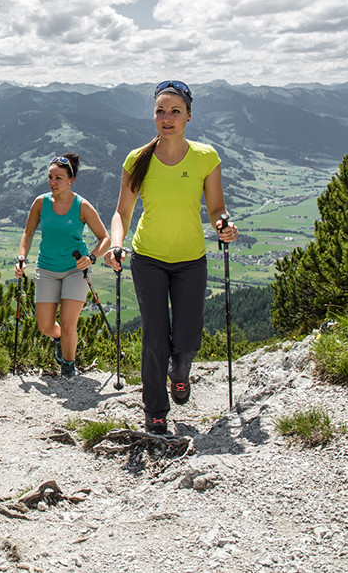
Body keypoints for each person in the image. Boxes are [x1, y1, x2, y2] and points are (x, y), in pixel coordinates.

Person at [104, 81, 238, 434]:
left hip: (191, 259)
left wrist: (225, 225)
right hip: (148, 258)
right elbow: (122, 213)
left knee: (188, 339)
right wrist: (115, 244)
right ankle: (155, 410)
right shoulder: (138, 159)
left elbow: (216, 209)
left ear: (189, 116)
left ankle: (180, 373)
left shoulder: (206, 158)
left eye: (175, 111)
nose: (167, 118)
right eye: (160, 111)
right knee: (155, 338)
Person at [15, 152, 110, 378]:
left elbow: (104, 238)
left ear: (71, 180)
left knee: (69, 325)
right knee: (46, 327)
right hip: (46, 268)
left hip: (75, 270)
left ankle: (68, 366)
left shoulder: (82, 206)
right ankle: (58, 340)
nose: (52, 182)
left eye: (58, 178)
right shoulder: (40, 203)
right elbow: (28, 233)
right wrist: (22, 257)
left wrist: (93, 257)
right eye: (50, 177)